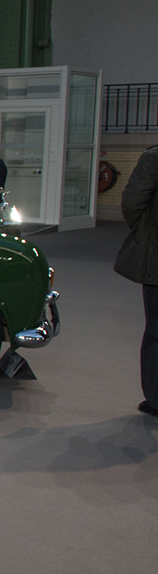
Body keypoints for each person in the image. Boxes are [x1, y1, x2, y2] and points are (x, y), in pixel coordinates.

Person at [115, 144, 158, 417]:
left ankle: (155, 399)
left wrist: (145, 232)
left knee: (156, 331)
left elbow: (132, 203)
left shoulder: (153, 158)